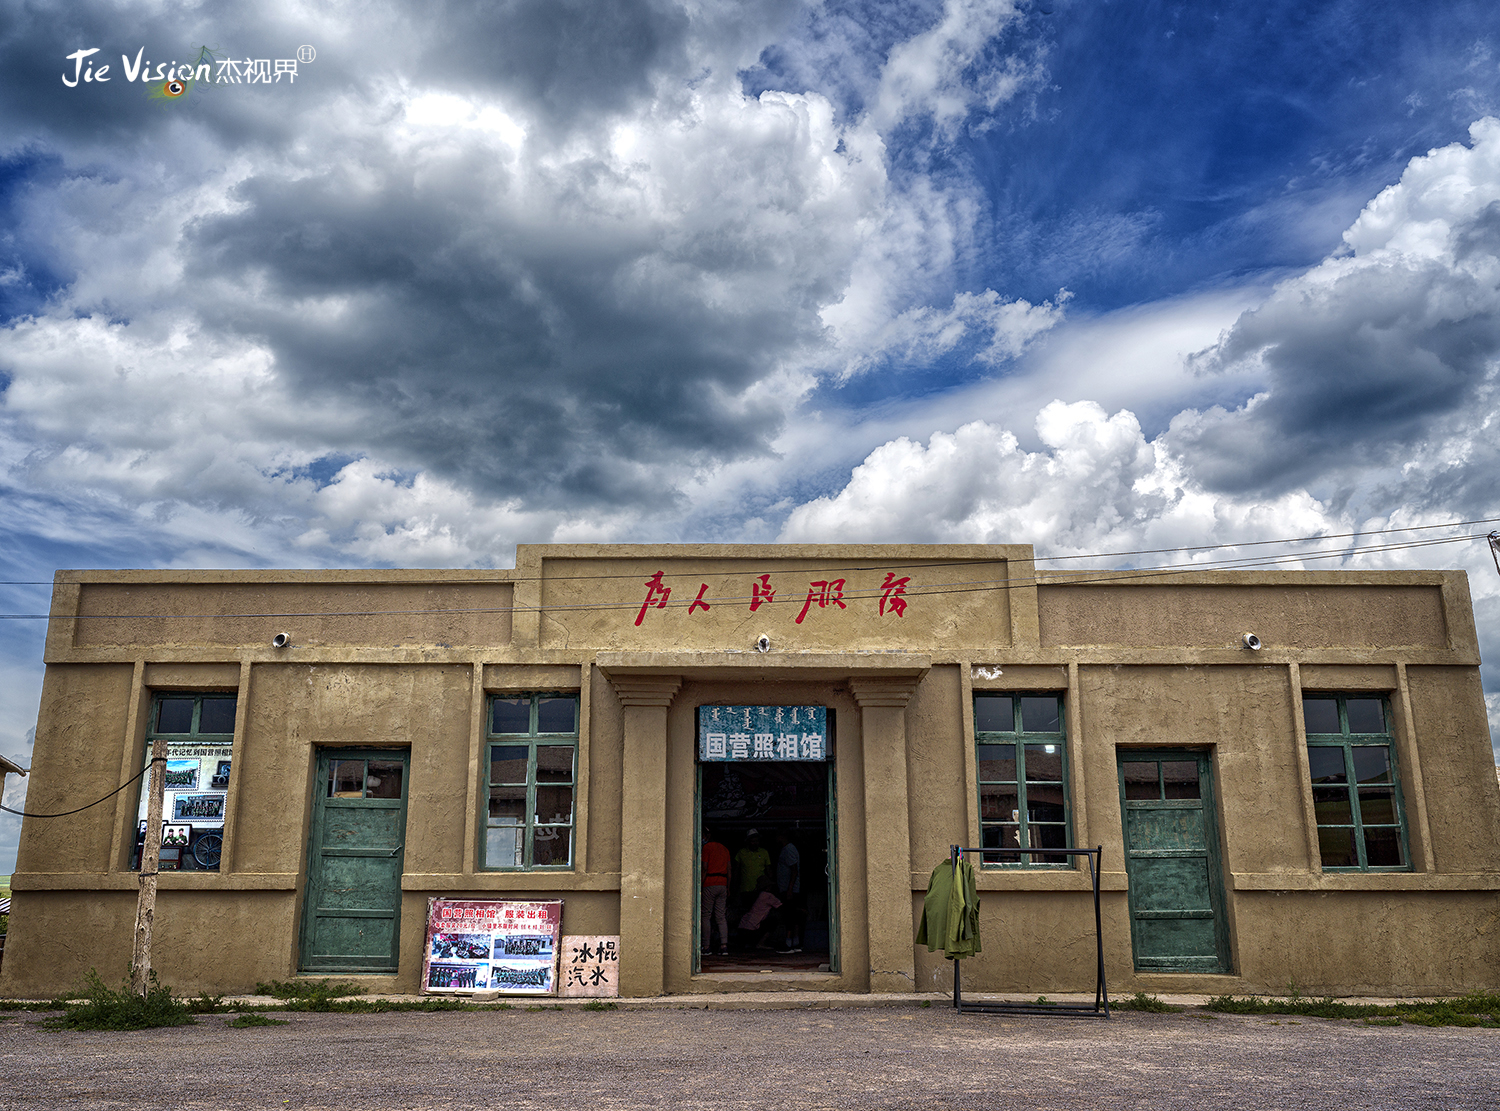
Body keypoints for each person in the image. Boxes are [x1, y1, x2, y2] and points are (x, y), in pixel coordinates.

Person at [701, 830, 730, 956]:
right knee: (721, 916)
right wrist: (728, 887)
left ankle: (706, 946)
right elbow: (729, 870)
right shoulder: (725, 850)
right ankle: (724, 946)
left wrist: (700, 885)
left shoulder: (707, 847)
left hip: (709, 883)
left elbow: (704, 868)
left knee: (706, 915)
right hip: (723, 884)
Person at [774, 829, 802, 953]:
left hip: (789, 889)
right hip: (789, 888)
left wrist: (789, 889)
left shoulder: (789, 849)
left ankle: (788, 943)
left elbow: (794, 870)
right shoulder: (787, 849)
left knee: (789, 916)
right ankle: (795, 943)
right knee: (793, 915)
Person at [732, 828, 771, 918]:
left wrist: (769, 885)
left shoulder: (764, 852)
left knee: (760, 914)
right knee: (747, 914)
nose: (755, 843)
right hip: (746, 889)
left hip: (761, 890)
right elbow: (736, 871)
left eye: (757, 841)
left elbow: (769, 870)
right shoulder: (741, 853)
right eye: (753, 841)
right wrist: (734, 887)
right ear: (748, 842)